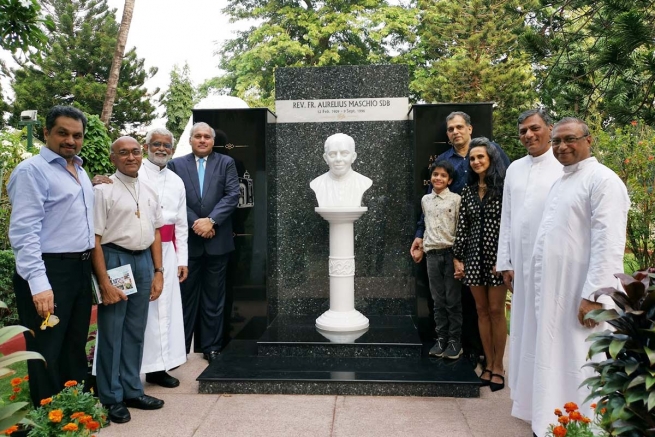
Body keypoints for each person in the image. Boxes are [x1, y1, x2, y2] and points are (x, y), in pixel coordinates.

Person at [529, 118, 629, 437]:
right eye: (556, 142)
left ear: (589, 140)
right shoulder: (562, 181)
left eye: (569, 139)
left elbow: (609, 243)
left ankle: (590, 427)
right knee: (556, 355)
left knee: (582, 357)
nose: (561, 147)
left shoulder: (603, 180)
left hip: (582, 291)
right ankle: (556, 421)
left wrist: (594, 296)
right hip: (556, 290)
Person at [8, 106, 94, 407]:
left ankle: (75, 410)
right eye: (63, 133)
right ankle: (49, 415)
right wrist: (39, 283)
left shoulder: (80, 171)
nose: (70, 140)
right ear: (46, 133)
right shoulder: (32, 171)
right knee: (47, 347)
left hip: (79, 270)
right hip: (49, 271)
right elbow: (23, 232)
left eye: (77, 135)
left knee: (74, 343)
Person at [411, 112, 509, 365]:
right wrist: (420, 235)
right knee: (456, 300)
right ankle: (453, 342)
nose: (455, 132)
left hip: (488, 241)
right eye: (450, 129)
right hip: (453, 243)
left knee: (484, 306)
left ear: (469, 128)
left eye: (459, 127)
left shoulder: (491, 153)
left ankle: (483, 354)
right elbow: (429, 208)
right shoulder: (444, 161)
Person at [91, 136, 165, 423]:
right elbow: (95, 240)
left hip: (143, 260)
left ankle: (133, 389)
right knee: (112, 330)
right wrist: (104, 282)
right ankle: (111, 396)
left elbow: (157, 231)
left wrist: (158, 272)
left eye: (135, 151)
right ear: (113, 158)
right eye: (123, 153)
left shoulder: (148, 189)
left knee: (136, 329)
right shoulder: (103, 191)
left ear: (142, 154)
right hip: (116, 260)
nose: (131, 157)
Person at [495, 109, 562, 421]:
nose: (529, 136)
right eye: (523, 131)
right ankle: (526, 401)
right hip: (520, 266)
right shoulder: (515, 169)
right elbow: (508, 217)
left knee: (551, 329)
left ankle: (555, 400)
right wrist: (506, 261)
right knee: (524, 329)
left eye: (534, 129)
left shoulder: (566, 167)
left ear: (549, 129)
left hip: (556, 265)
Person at [168, 122, 240, 363]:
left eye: (206, 137)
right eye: (197, 136)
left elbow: (232, 195)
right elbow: (173, 199)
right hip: (188, 244)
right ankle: (179, 349)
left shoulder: (225, 163)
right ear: (190, 140)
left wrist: (211, 221)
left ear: (212, 141)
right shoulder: (176, 165)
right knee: (184, 298)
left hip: (217, 242)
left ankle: (211, 347)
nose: (202, 140)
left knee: (214, 298)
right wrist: (197, 223)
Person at [452, 137, 507, 391]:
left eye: (480, 157)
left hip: (497, 258)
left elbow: (510, 226)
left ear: (491, 159)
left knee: (497, 311)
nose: (475, 162)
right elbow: (463, 226)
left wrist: (506, 258)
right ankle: (487, 363)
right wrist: (458, 256)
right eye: (472, 158)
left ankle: (499, 365)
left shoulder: (504, 188)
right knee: (481, 311)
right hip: (473, 257)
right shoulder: (468, 191)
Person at [139, 128, 189, 387]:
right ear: (146, 146)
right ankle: (134, 366)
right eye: (156, 144)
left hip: (169, 251)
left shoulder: (176, 181)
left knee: (165, 308)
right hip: (139, 248)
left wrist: (183, 260)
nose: (161, 148)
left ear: (171, 149)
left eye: (166, 145)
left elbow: (181, 224)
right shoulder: (134, 172)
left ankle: (160, 367)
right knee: (143, 309)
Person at [418, 160, 462, 359]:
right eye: (435, 174)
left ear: (450, 180)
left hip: (450, 253)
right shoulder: (425, 200)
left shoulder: (456, 200)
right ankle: (441, 338)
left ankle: (455, 341)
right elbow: (425, 224)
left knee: (452, 300)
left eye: (443, 175)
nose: (438, 178)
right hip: (432, 255)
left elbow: (460, 228)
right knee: (438, 301)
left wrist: (459, 256)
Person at [310, 133, 372, 207]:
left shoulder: (364, 182)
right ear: (326, 158)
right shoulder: (317, 184)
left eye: (344, 154)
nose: (338, 159)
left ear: (353, 157)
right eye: (332, 154)